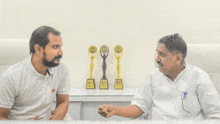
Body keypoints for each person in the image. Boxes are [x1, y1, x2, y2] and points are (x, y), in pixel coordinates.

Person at [98, 33, 220, 119]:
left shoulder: (199, 77)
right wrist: (115, 110)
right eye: (157, 54)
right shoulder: (154, 76)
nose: (157, 59)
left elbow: (215, 115)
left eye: (162, 54)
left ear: (177, 58)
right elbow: (139, 107)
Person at [0, 26, 71, 120]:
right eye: (55, 47)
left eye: (60, 47)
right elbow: (1, 116)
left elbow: (63, 102)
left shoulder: (61, 69)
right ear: (38, 49)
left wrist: (55, 120)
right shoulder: (11, 76)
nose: (61, 53)